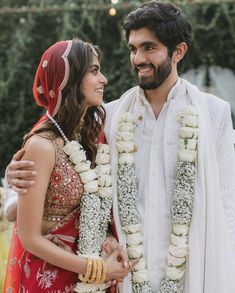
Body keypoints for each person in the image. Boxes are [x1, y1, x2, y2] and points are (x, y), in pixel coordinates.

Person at [5, 1, 235, 292]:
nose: (138, 58)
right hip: (123, 277)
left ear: (179, 51)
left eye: (149, 47)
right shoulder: (109, 116)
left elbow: (228, 203)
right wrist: (16, 176)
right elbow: (60, 155)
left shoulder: (213, 114)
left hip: (193, 273)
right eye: (133, 48)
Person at [3, 38, 133, 293]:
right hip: (50, 278)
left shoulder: (93, 134)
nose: (103, 79)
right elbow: (29, 237)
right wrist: (96, 269)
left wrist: (108, 244)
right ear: (69, 79)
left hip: (91, 276)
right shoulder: (42, 145)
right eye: (94, 71)